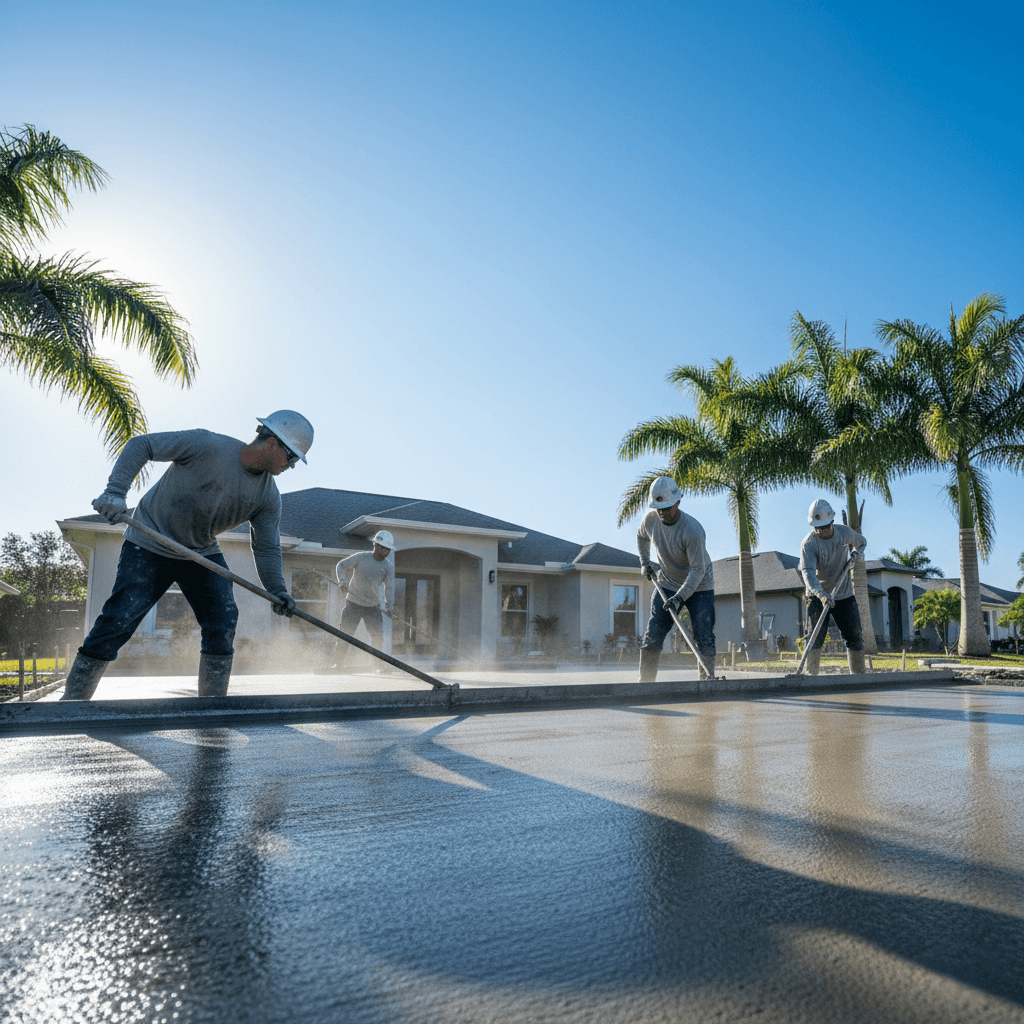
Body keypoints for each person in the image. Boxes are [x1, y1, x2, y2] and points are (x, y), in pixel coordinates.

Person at [60, 410, 314, 700]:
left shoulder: (268, 497)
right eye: (292, 457)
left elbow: (267, 548)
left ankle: (212, 703)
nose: (292, 466)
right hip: (149, 542)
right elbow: (141, 445)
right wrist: (115, 492)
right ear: (272, 444)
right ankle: (73, 701)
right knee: (120, 617)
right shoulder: (207, 445)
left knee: (223, 618)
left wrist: (278, 591)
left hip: (199, 552)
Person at [636, 476, 716, 681]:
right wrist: (645, 562)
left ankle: (707, 682)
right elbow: (641, 536)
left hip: (699, 586)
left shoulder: (693, 531)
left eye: (667, 508)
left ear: (678, 502)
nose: (662, 512)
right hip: (667, 582)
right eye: (658, 508)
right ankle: (645, 684)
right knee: (653, 633)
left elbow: (698, 570)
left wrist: (680, 597)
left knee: (704, 635)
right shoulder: (651, 520)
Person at [799, 498, 867, 675]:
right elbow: (807, 573)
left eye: (826, 527)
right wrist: (821, 595)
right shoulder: (809, 544)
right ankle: (811, 678)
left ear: (832, 522)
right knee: (815, 638)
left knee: (854, 636)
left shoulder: (844, 533)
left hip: (843, 593)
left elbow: (861, 542)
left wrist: (856, 552)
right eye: (818, 528)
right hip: (816, 595)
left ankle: (858, 678)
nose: (822, 531)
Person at [335, 530, 395, 668]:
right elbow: (341, 565)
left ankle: (378, 667)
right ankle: (337, 664)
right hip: (353, 603)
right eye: (384, 548)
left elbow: (390, 588)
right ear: (376, 545)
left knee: (377, 638)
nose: (386, 552)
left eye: (388, 550)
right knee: (345, 634)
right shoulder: (361, 557)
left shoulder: (388, 567)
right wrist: (342, 580)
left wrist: (389, 606)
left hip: (373, 606)